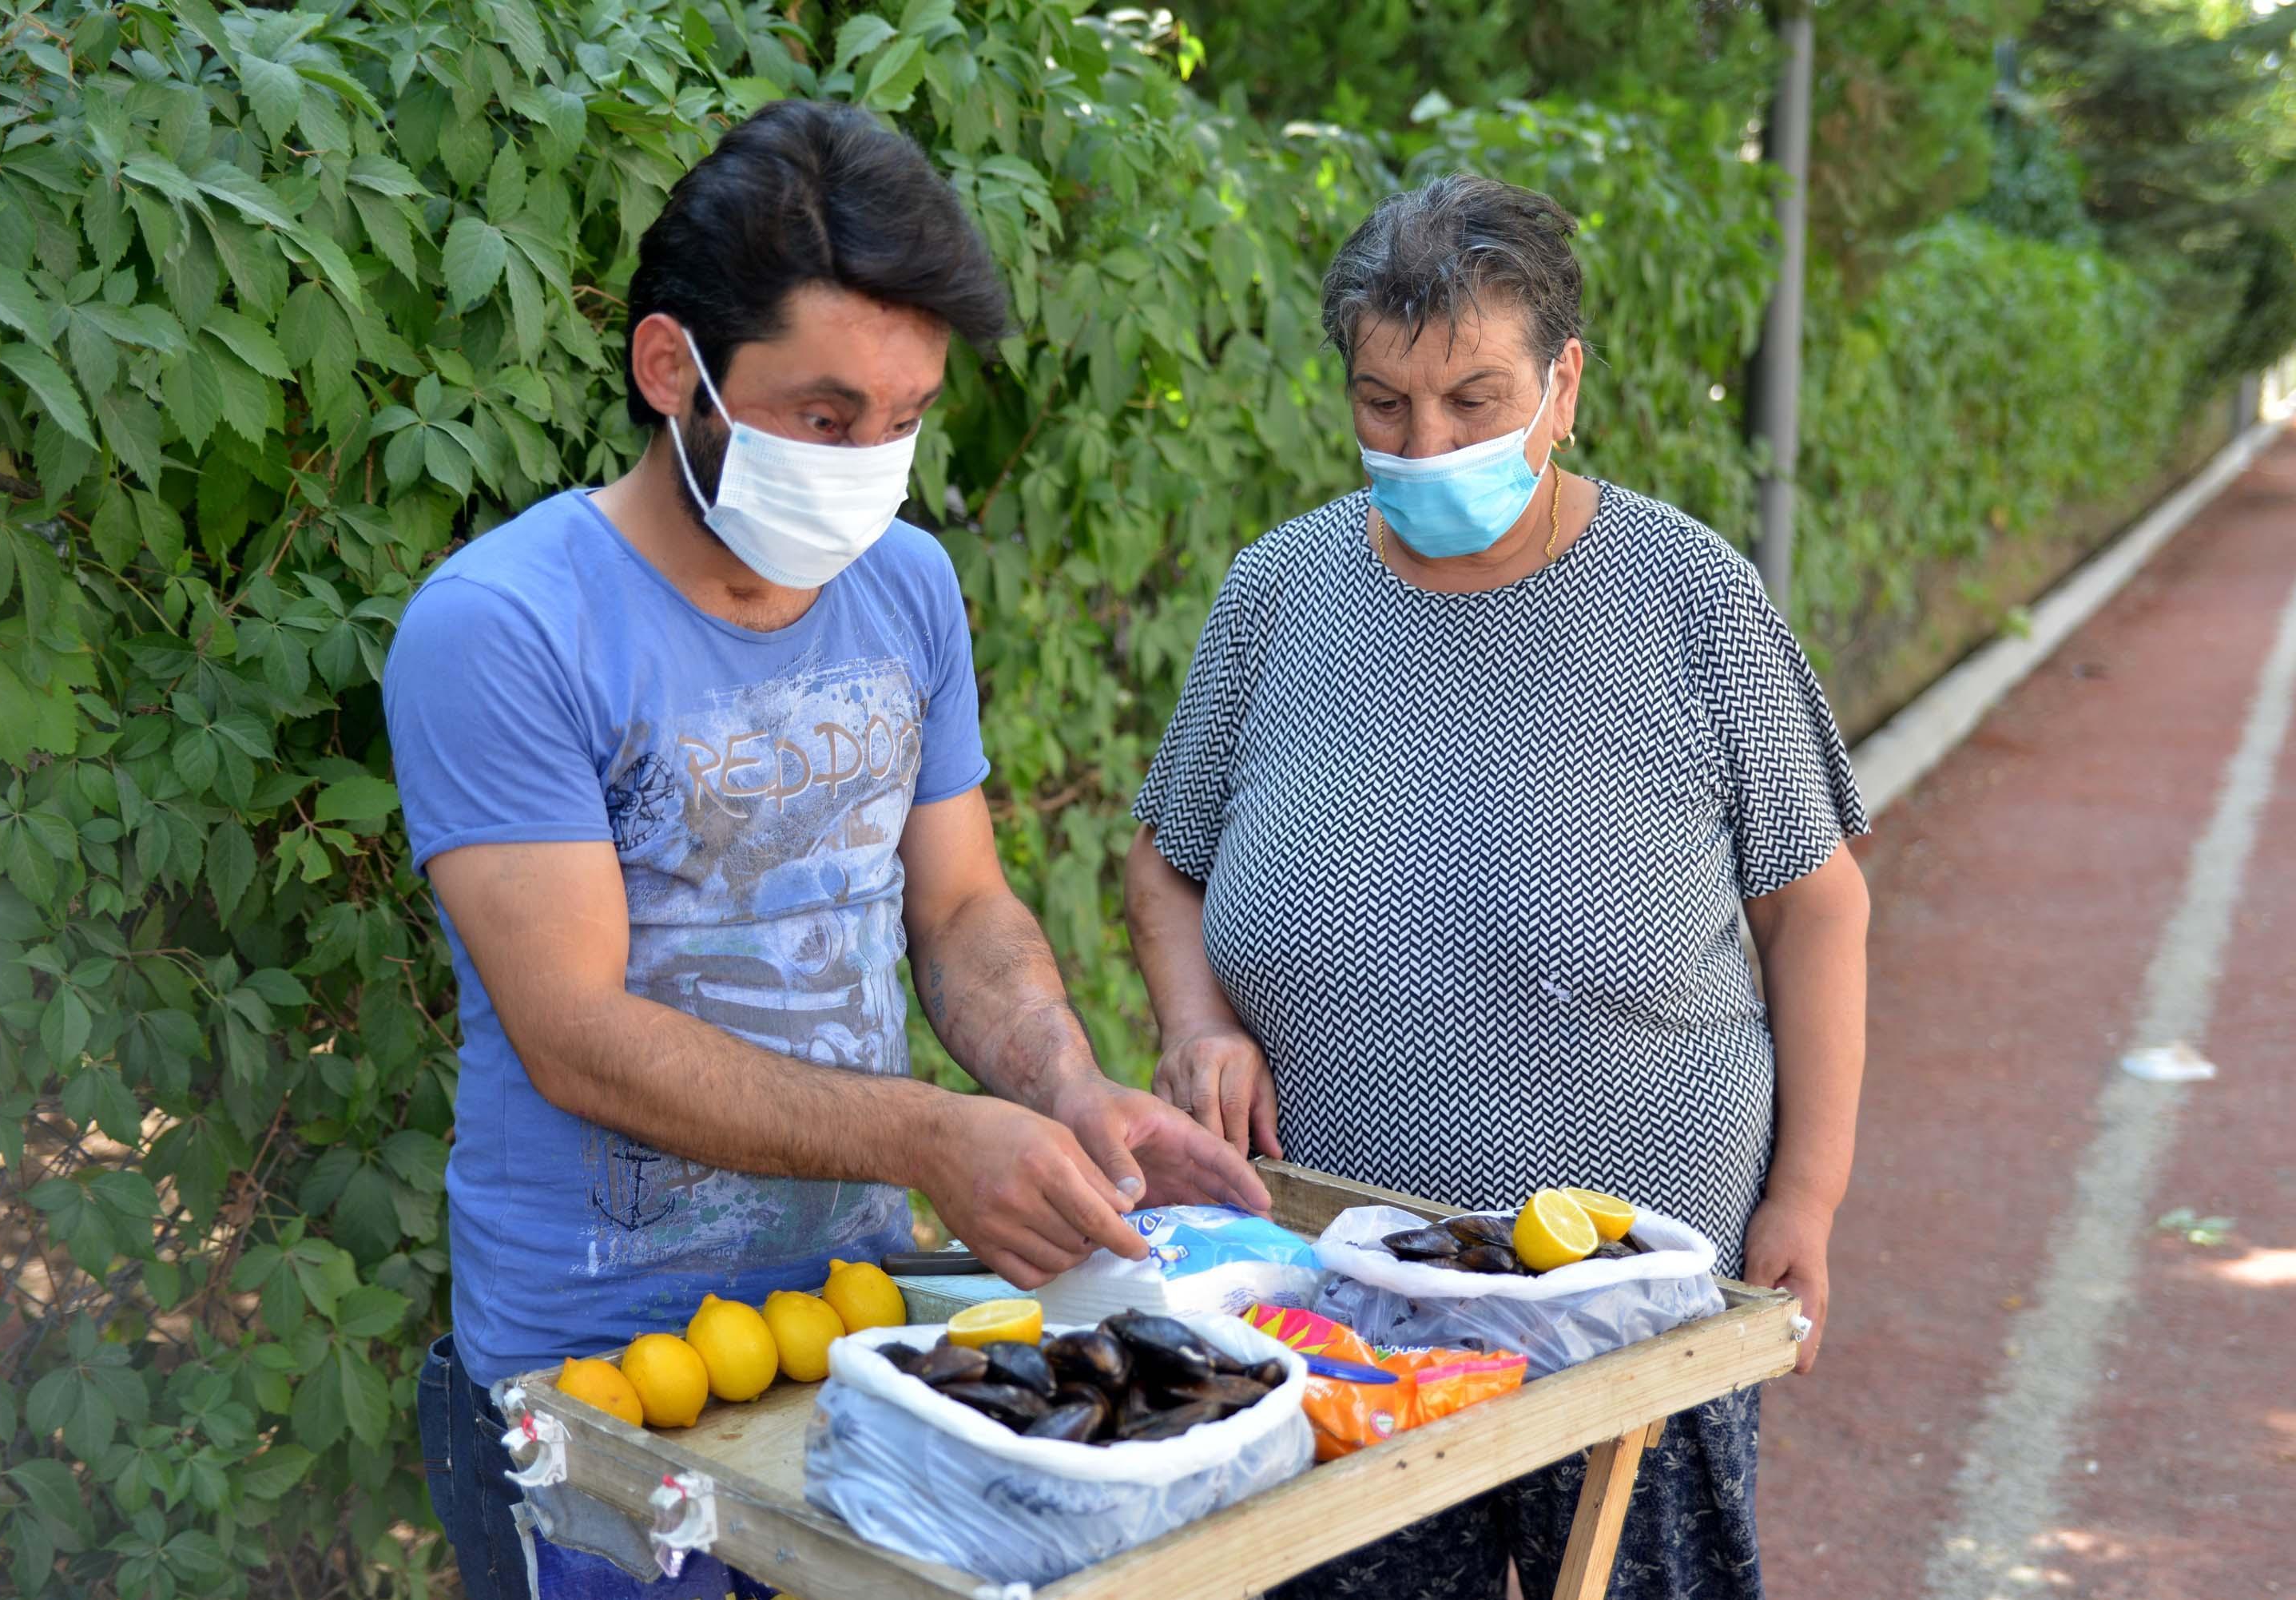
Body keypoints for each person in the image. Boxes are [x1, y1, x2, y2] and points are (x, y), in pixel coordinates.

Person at [384, 100, 1269, 1600]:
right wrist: (932, 1135)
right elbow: (578, 1038)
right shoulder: (503, 628)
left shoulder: (908, 585)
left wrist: (1068, 1093)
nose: (871, 464)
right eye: (825, 415)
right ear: (673, 370)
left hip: (861, 1337)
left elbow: (965, 908)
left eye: (908, 418)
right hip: (596, 1395)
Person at [1125, 174, 1872, 1600]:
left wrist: (1811, 1197)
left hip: (1634, 1304)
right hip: (1348, 1291)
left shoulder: (1689, 595)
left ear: (1563, 382)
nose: (1426, 443)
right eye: (1383, 404)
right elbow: (1167, 856)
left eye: (1475, 399)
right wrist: (1196, 1024)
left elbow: (1817, 902)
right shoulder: (1277, 592)